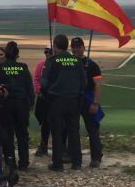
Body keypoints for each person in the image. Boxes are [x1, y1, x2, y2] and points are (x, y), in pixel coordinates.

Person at [41, 34, 86, 172]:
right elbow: (84, 82)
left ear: (55, 45)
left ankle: (57, 164)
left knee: (57, 132)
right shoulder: (77, 60)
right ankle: (77, 163)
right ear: (67, 46)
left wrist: (48, 96)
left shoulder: (51, 61)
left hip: (57, 102)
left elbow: (44, 83)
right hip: (73, 101)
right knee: (74, 132)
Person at [0, 41, 34, 169]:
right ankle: (24, 163)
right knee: (22, 135)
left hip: (7, 105)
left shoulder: (0, 68)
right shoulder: (23, 67)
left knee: (8, 134)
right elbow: (29, 87)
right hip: (22, 104)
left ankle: (10, 162)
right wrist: (31, 103)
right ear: (17, 54)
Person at [70, 37, 104, 168]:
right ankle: (72, 155)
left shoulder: (92, 65)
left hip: (88, 99)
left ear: (84, 47)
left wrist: (95, 103)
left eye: (78, 46)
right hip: (73, 100)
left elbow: (98, 85)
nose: (76, 49)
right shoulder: (69, 64)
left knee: (92, 129)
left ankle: (96, 157)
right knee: (72, 130)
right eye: (74, 46)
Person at [33, 47, 52, 157]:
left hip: (55, 98)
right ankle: (43, 145)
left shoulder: (56, 64)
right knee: (45, 122)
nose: (47, 54)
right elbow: (36, 80)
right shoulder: (41, 65)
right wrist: (40, 92)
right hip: (43, 98)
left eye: (49, 52)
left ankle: (61, 147)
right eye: (46, 52)